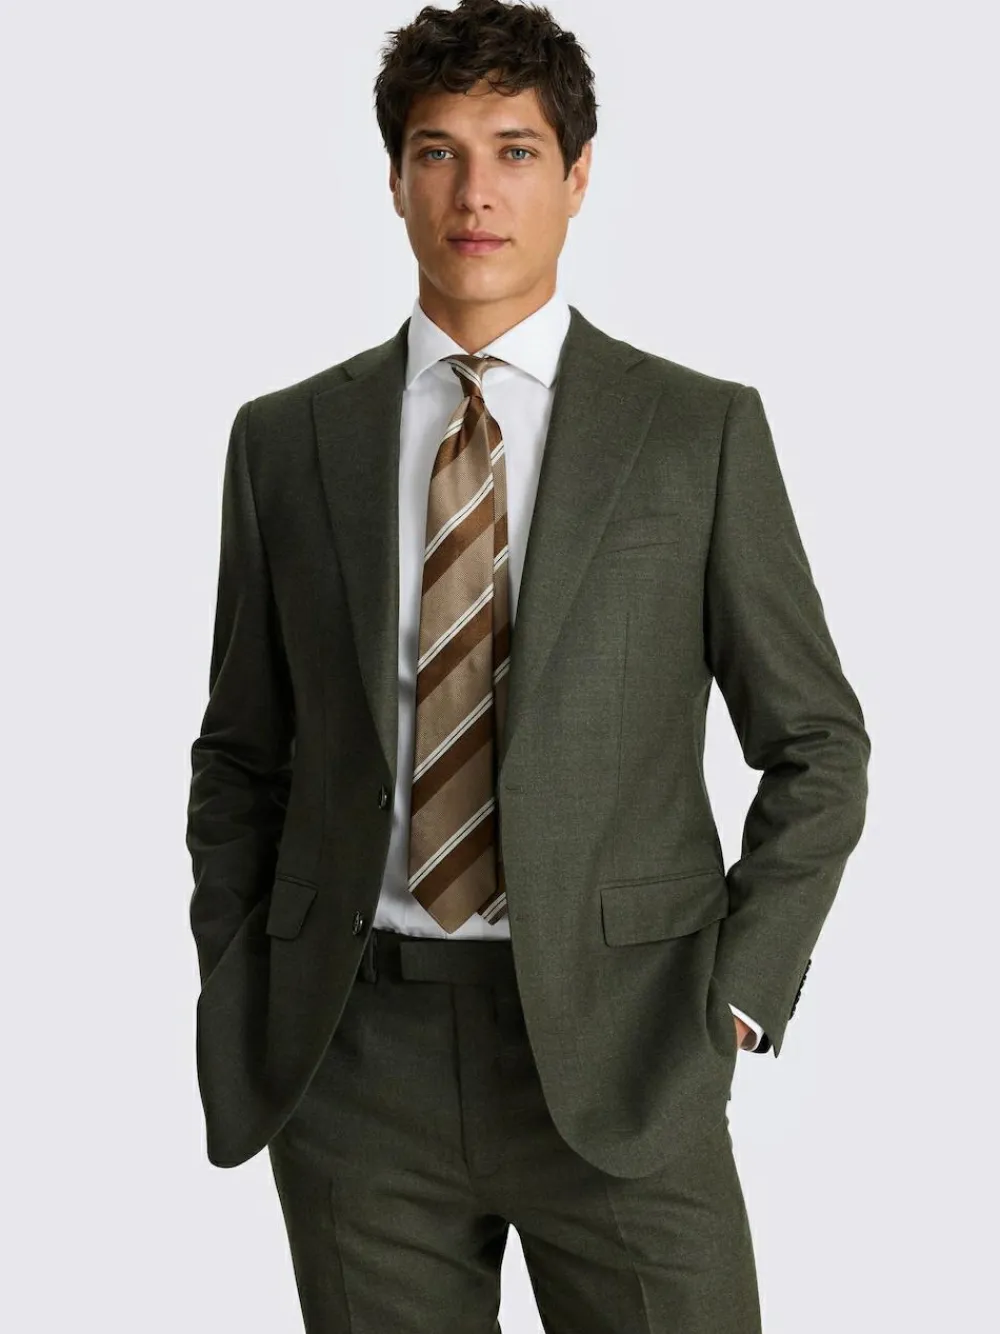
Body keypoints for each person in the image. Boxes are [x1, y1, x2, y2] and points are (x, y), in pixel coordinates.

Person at [186, 1, 870, 1329]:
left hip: (628, 1049)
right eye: (437, 152)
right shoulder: (287, 440)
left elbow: (817, 745)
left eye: (514, 150)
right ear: (394, 180)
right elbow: (241, 750)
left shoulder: (695, 431)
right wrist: (242, 971)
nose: (476, 192)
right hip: (354, 1061)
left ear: (579, 173)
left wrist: (734, 996)